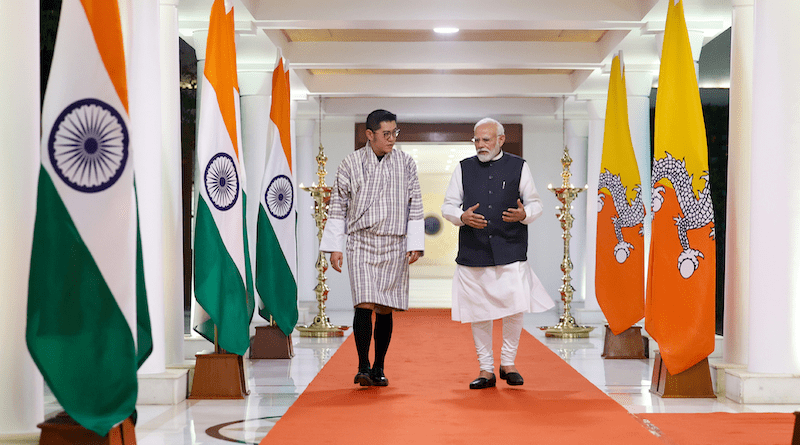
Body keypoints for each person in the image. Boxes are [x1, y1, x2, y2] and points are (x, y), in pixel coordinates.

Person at [441, 117, 555, 389]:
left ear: (500, 140)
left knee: (515, 306)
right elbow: (448, 206)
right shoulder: (463, 168)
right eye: (477, 140)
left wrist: (524, 213)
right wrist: (461, 216)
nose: (481, 145)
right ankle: (486, 369)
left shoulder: (519, 166)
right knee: (478, 312)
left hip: (511, 248)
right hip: (474, 250)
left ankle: (508, 363)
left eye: (486, 139)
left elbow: (536, 204)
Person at [319, 109, 424, 387]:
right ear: (370, 134)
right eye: (386, 134)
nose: (392, 139)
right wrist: (335, 247)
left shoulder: (406, 163)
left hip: (394, 242)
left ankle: (379, 366)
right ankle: (362, 365)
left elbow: (416, 205)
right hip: (362, 240)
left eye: (395, 133)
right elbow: (338, 206)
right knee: (363, 303)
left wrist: (415, 243)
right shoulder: (350, 163)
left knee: (385, 307)